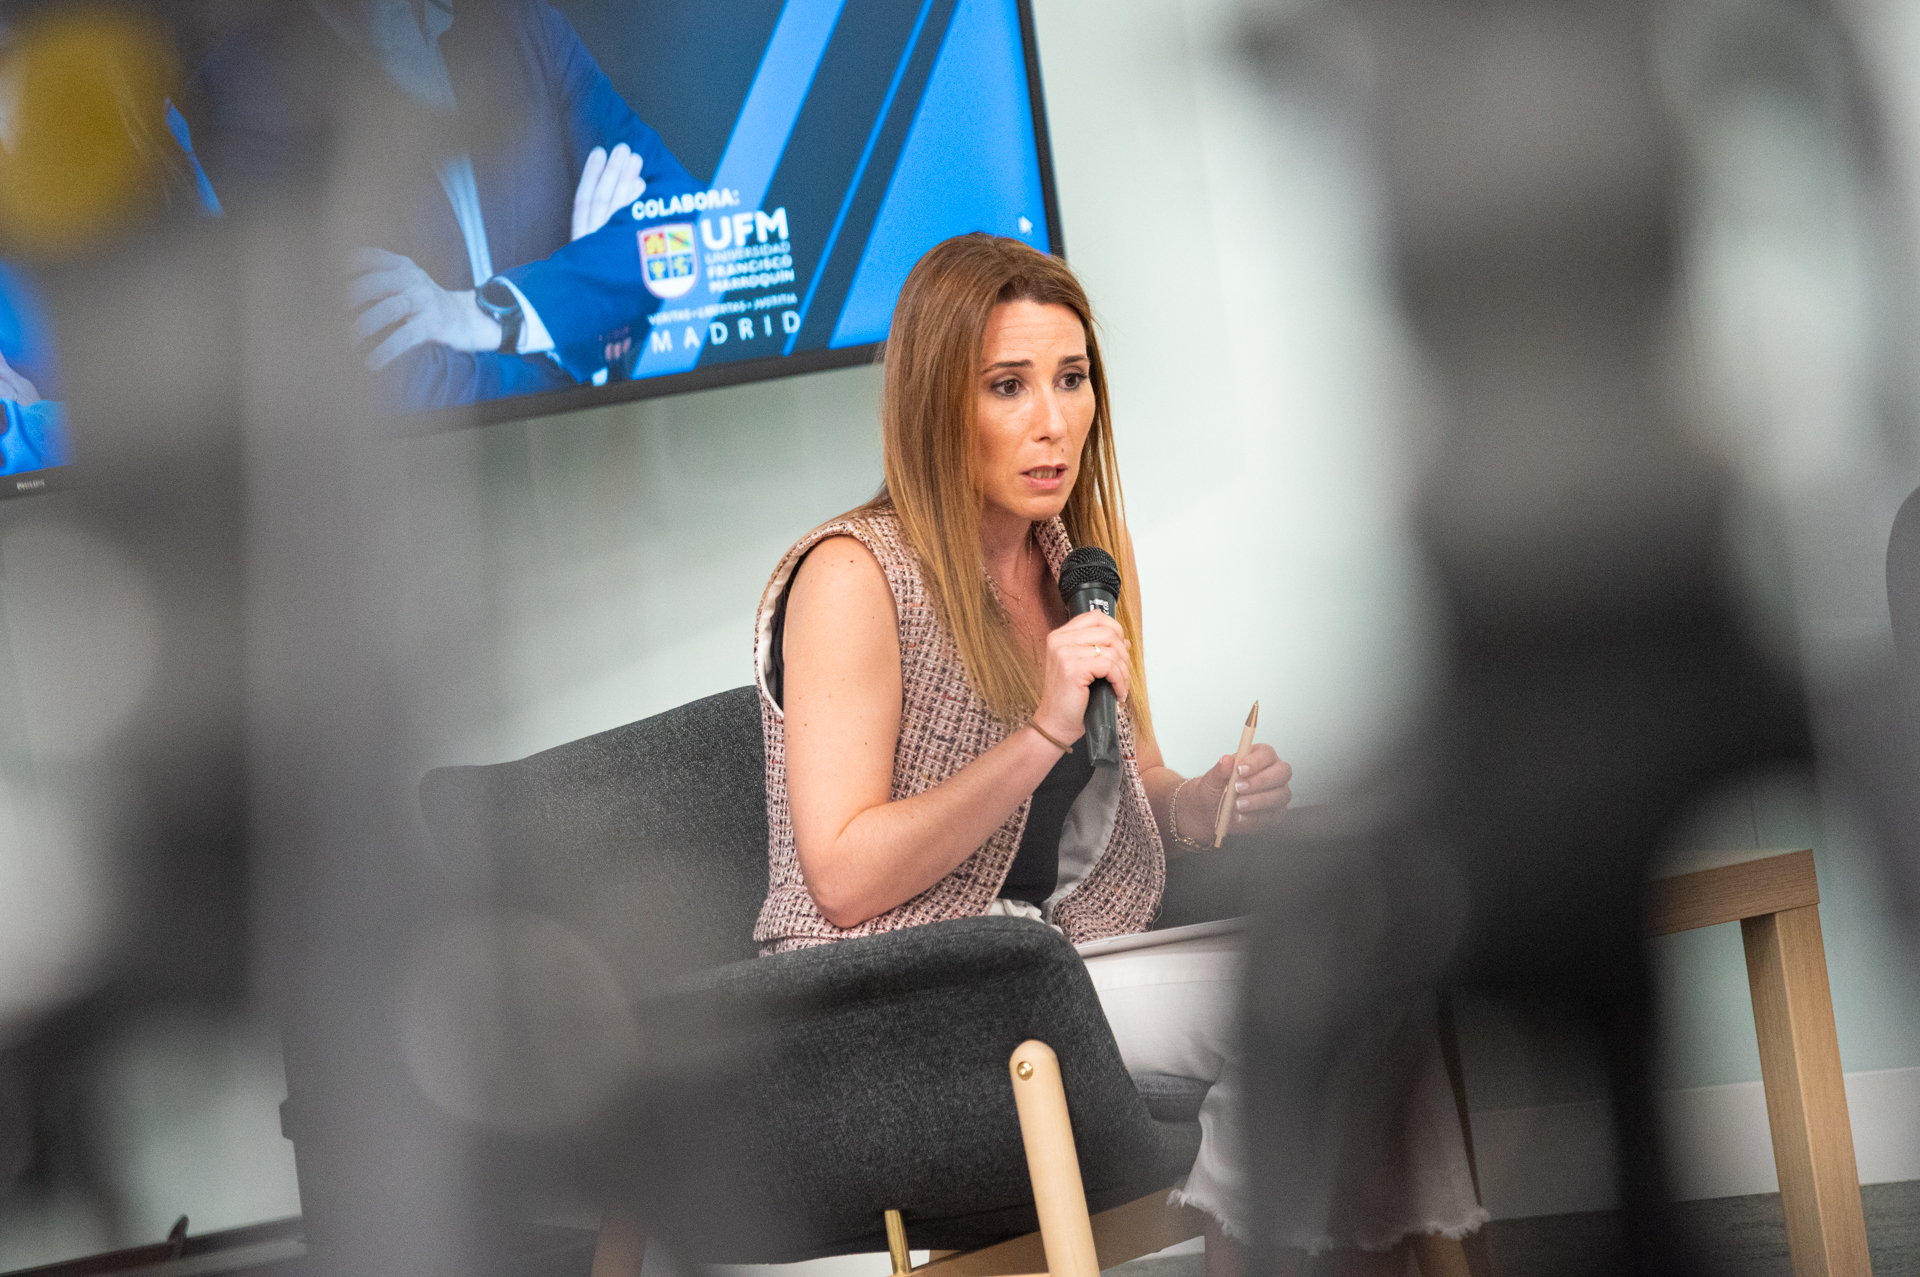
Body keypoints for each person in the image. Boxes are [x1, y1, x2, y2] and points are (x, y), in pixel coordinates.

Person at [752, 234, 1486, 1275]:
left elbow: (1134, 777)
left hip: (1059, 964)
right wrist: (1040, 732)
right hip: (901, 1000)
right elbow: (842, 874)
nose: (1053, 420)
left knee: (1357, 959)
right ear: (933, 403)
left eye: (1072, 377)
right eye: (1008, 385)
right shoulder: (852, 576)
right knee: (1289, 991)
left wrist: (1202, 801)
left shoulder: (1083, 560)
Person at [194, 0, 704, 410]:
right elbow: (398, 385)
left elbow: (683, 220)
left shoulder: (527, 26)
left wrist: (483, 314)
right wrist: (578, 341)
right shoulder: (249, 87)